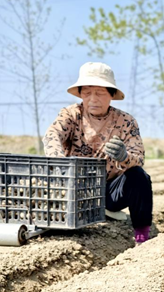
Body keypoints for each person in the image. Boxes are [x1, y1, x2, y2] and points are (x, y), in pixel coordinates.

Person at [43, 62, 153, 244]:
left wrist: (124, 157)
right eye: (87, 93)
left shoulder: (126, 121)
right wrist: (58, 159)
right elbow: (52, 134)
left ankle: (142, 236)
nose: (93, 99)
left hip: (109, 192)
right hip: (75, 188)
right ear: (81, 95)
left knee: (139, 177)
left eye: (100, 93)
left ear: (111, 95)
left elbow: (138, 157)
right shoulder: (71, 114)